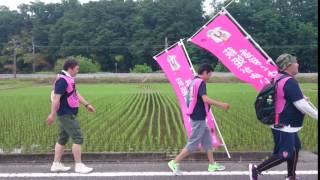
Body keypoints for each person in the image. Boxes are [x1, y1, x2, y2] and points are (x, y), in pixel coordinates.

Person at [249, 54, 318, 180]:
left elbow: (283, 97)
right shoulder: (289, 81)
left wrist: (301, 98)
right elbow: (301, 104)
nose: (298, 64)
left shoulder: (279, 78)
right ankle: (256, 169)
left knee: (295, 148)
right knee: (284, 154)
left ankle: (291, 176)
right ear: (289, 65)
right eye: (296, 62)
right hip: (283, 124)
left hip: (285, 123)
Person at [168, 63, 230, 174]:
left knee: (207, 140)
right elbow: (205, 99)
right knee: (193, 142)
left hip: (197, 116)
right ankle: (174, 162)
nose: (210, 77)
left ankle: (212, 165)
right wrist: (222, 104)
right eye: (210, 74)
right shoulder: (201, 82)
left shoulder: (193, 81)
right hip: (198, 117)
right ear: (205, 72)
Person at [47, 57, 96, 174]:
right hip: (65, 114)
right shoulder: (62, 80)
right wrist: (52, 114)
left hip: (68, 113)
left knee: (63, 138)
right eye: (77, 69)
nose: (78, 71)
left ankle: (56, 164)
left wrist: (86, 104)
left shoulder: (69, 79)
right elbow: (56, 98)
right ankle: (78, 165)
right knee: (78, 137)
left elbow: (75, 93)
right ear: (70, 68)